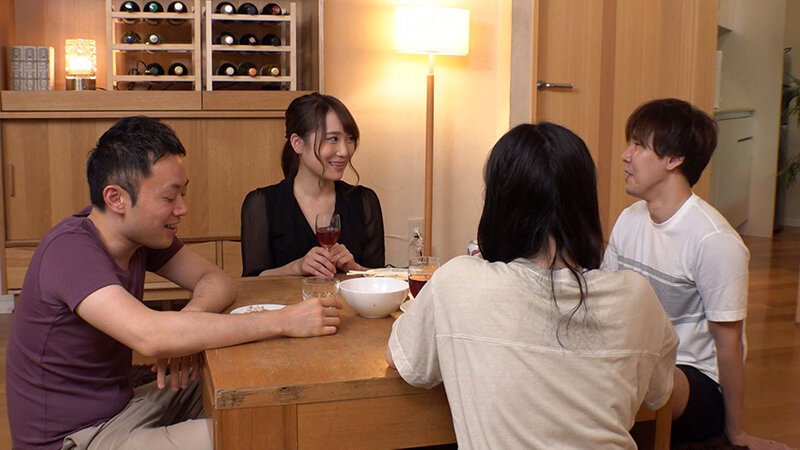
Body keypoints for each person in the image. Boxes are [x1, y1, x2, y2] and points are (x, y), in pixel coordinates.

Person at [5, 116, 342, 450]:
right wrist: (283, 320)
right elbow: (151, 336)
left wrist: (187, 324)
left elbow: (217, 280)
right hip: (80, 437)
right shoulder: (70, 250)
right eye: (169, 198)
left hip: (124, 407)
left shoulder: (137, 234)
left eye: (184, 193)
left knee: (261, 392)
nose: (182, 208)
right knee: (259, 432)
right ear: (116, 198)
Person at [386, 122, 678, 448]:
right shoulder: (637, 296)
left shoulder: (458, 282)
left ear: (496, 204)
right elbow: (657, 393)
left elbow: (404, 359)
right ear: (585, 205)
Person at [602, 98, 790, 449]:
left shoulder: (714, 241)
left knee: (634, 379)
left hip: (692, 379)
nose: (626, 156)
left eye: (639, 145)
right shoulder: (629, 220)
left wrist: (736, 433)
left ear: (674, 159)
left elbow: (729, 344)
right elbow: (607, 300)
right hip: (636, 360)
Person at [240, 92, 385, 278]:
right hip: (287, 299)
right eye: (333, 139)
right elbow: (251, 281)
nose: (344, 151)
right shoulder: (261, 203)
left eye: (349, 139)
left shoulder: (365, 201)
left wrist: (354, 268)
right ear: (298, 143)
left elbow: (380, 278)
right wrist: (296, 268)